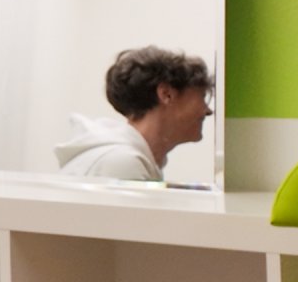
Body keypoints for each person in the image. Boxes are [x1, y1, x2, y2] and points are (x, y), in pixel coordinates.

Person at [55, 45, 215, 182]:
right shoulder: (122, 162)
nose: (208, 111)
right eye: (202, 97)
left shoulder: (130, 160)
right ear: (166, 94)